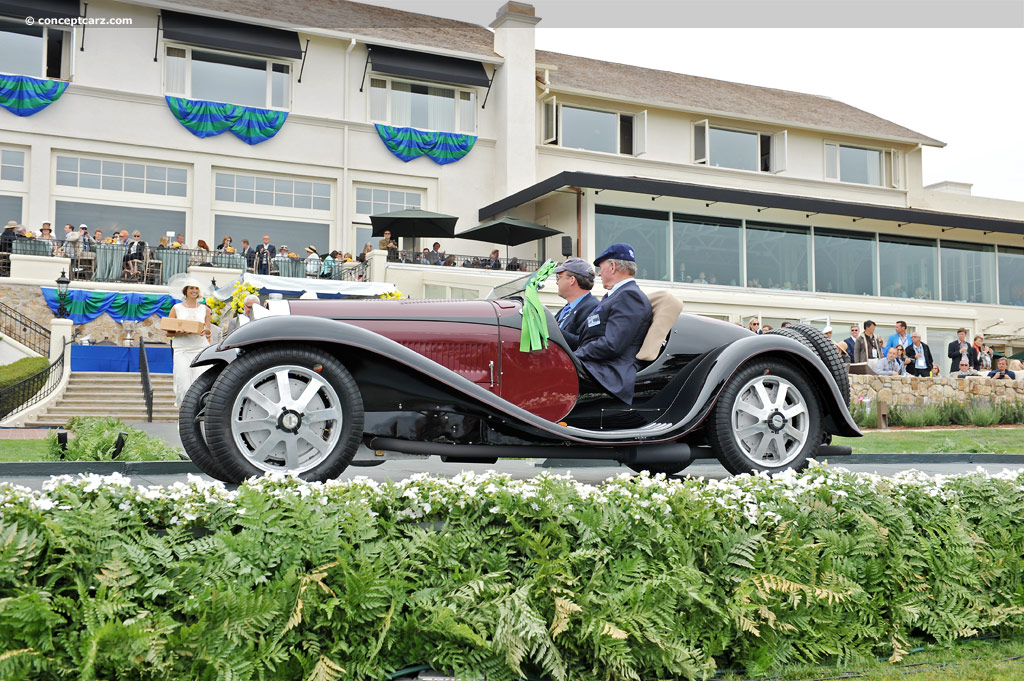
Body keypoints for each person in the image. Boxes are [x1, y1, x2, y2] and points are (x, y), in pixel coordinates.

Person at [575, 243, 653, 405]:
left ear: (612, 266)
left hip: (609, 371)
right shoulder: (615, 296)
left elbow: (612, 344)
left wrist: (573, 357)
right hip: (597, 364)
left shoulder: (629, 295)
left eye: (600, 268)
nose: (598, 273)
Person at [166, 277, 211, 407]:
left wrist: (205, 331)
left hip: (199, 349)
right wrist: (178, 332)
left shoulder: (205, 309)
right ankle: (184, 413)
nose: (194, 291)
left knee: (200, 384)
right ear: (186, 291)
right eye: (191, 288)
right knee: (184, 385)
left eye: (196, 288)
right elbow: (168, 332)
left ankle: (197, 414)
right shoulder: (176, 308)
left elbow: (208, 330)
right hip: (182, 350)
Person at [553, 258, 599, 351]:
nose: (556, 282)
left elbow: (585, 344)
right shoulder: (566, 309)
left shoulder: (593, 308)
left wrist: (549, 329)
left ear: (571, 280)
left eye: (559, 277)